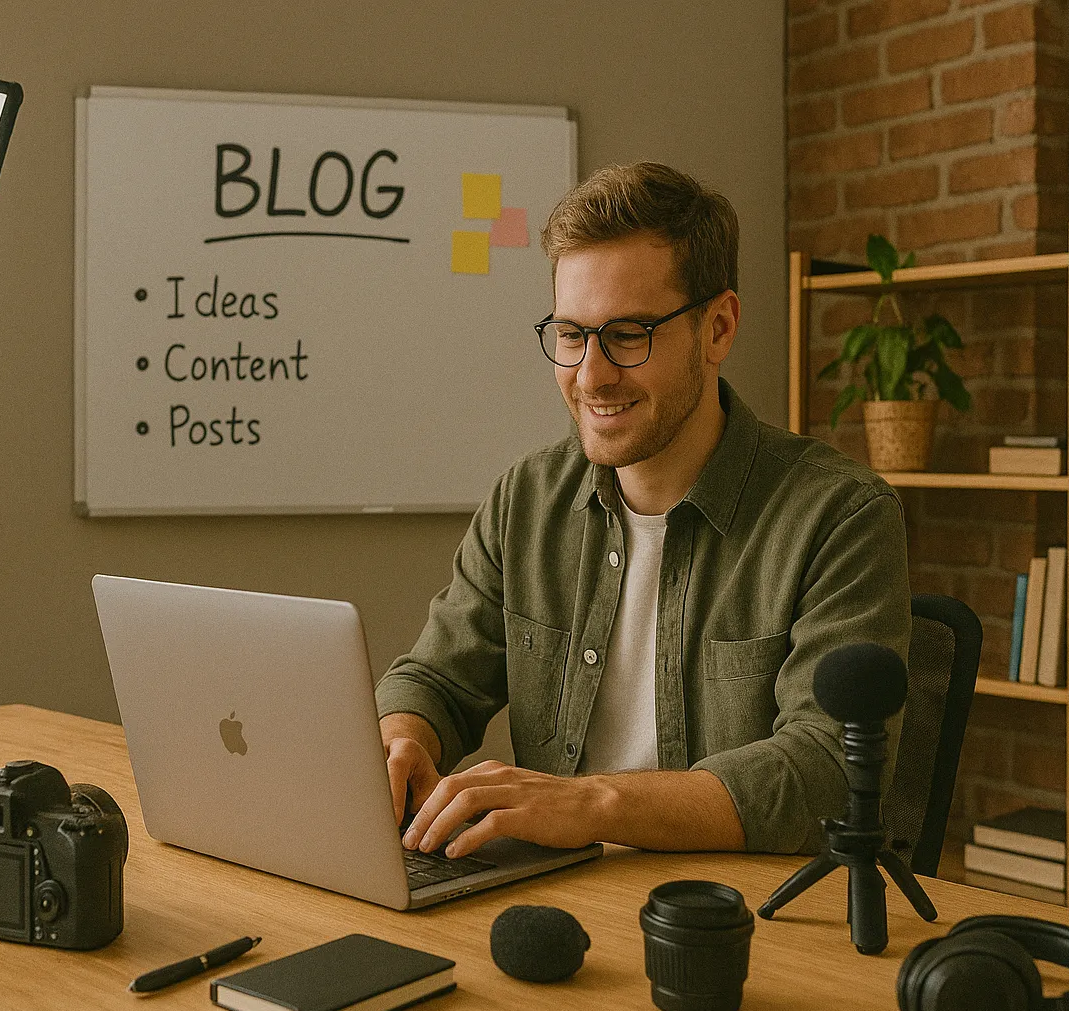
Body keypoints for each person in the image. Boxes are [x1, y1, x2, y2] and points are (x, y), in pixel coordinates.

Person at [376, 162, 910, 860]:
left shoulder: (839, 515)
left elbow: (823, 769)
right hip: (553, 903)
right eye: (571, 335)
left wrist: (593, 805)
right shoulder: (525, 500)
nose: (591, 375)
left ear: (717, 328)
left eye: (629, 334)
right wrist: (402, 741)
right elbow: (438, 676)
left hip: (734, 923)